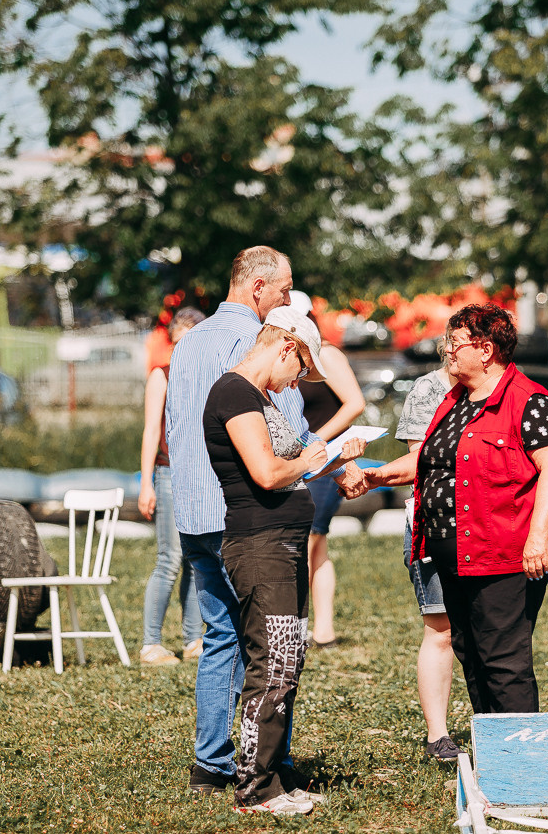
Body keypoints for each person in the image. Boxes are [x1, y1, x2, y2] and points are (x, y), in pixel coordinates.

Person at [166, 245, 365, 798]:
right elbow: (285, 437)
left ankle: (211, 762)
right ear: (258, 289)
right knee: (272, 647)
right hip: (251, 513)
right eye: (283, 290)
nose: (285, 299)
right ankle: (270, 767)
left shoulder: (187, 344)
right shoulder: (257, 351)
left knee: (220, 637)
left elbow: (177, 428)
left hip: (196, 508)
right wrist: (326, 459)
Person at [357, 304, 548, 714]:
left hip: (505, 553)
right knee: (471, 651)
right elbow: (428, 459)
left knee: (502, 658)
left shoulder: (529, 400)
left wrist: (537, 540)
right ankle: (493, 755)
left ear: (485, 350)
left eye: (455, 342)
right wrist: (375, 477)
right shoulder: (455, 400)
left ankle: (520, 759)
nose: (447, 350)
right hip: (456, 551)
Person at [204, 307, 367, 814]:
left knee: (287, 660)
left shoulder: (260, 398)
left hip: (282, 544)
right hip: (261, 545)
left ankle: (271, 777)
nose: (298, 381)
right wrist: (315, 459)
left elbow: (291, 454)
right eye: (301, 368)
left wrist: (335, 455)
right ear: (285, 347)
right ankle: (254, 789)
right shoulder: (233, 393)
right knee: (272, 664)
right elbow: (270, 472)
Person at [289, 291, 365, 648]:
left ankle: (296, 628)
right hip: (303, 460)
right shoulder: (293, 359)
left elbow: (355, 403)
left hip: (324, 460)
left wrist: (314, 439)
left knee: (309, 541)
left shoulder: (327, 354)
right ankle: (323, 632)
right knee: (317, 548)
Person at [393, 355, 459, 760]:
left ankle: (498, 722)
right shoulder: (428, 390)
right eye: (452, 344)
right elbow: (420, 460)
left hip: (491, 524)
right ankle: (438, 734)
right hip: (435, 522)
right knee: (441, 629)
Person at [137, 307, 207, 665]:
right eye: (178, 343)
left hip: (201, 476)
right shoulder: (161, 376)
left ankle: (193, 639)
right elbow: (151, 431)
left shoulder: (208, 377)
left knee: (198, 559)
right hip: (168, 475)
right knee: (170, 558)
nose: (183, 350)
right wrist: (146, 483)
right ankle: (151, 643)